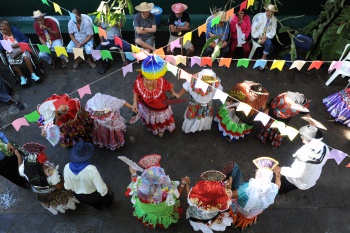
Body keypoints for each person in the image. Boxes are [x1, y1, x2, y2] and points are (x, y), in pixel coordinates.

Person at [126, 154, 190, 229]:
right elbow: (177, 195)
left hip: (146, 210)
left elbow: (133, 183)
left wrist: (133, 173)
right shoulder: (167, 190)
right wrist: (183, 183)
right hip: (163, 212)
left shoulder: (139, 188)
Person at [18, 142, 79, 215]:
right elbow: (59, 186)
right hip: (52, 191)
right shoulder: (49, 171)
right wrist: (66, 181)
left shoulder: (25, 167)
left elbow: (20, 170)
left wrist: (18, 156)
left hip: (40, 192)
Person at [132, 55, 179, 137]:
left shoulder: (161, 81)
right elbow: (136, 92)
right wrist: (135, 103)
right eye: (146, 79)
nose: (149, 82)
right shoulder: (138, 82)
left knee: (161, 119)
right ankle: (153, 128)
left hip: (160, 105)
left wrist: (173, 92)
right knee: (151, 120)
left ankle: (161, 129)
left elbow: (168, 87)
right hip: (146, 106)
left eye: (152, 80)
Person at [63, 141, 114, 210]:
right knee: (105, 199)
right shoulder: (91, 169)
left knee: (94, 204)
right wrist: (106, 190)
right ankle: (108, 205)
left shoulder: (66, 167)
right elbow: (101, 189)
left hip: (79, 195)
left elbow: (67, 187)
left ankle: (99, 207)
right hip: (93, 194)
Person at [178, 69, 223, 133]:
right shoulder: (193, 79)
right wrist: (179, 94)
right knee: (193, 115)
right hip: (194, 104)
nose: (207, 83)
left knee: (203, 116)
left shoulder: (215, 82)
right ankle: (190, 128)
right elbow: (185, 87)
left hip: (207, 104)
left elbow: (219, 91)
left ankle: (202, 127)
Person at [0, 20, 40, 86]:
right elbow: (0, 46)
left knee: (26, 57)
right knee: (12, 62)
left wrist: (18, 44)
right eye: (1, 29)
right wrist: (5, 46)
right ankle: (22, 76)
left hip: (20, 48)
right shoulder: (1, 34)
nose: (3, 31)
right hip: (10, 52)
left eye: (4, 29)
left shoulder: (14, 30)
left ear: (9, 27)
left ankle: (32, 74)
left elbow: (26, 39)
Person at [96, 3, 131, 74]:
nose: (106, 13)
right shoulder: (100, 19)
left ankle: (127, 61)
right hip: (107, 40)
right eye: (104, 12)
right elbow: (100, 31)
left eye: (107, 11)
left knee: (129, 47)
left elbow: (121, 25)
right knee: (98, 51)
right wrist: (101, 40)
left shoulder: (115, 16)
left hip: (117, 39)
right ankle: (104, 64)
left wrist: (115, 23)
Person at [251, 4, 278, 69]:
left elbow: (273, 31)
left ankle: (262, 59)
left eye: (271, 12)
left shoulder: (274, 19)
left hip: (266, 36)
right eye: (268, 11)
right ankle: (263, 61)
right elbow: (253, 28)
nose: (269, 13)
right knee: (270, 46)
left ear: (273, 12)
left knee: (270, 45)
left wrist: (265, 37)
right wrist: (259, 37)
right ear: (266, 10)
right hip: (257, 36)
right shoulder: (260, 17)